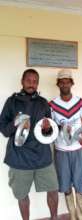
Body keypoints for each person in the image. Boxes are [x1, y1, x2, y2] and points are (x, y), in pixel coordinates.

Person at [0, 68, 58, 220]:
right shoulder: (12, 102)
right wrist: (15, 123)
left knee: (53, 189)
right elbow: (4, 131)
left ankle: (54, 217)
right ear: (22, 81)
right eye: (28, 81)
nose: (31, 84)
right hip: (19, 158)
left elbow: (49, 132)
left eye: (35, 82)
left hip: (42, 156)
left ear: (37, 84)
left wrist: (48, 128)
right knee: (22, 195)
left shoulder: (43, 103)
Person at [49, 69, 82, 220]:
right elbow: (50, 128)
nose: (65, 84)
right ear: (58, 84)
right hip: (60, 150)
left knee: (81, 185)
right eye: (62, 82)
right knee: (65, 186)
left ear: (71, 83)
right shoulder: (52, 104)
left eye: (67, 81)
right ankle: (73, 216)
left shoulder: (80, 102)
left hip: (77, 149)